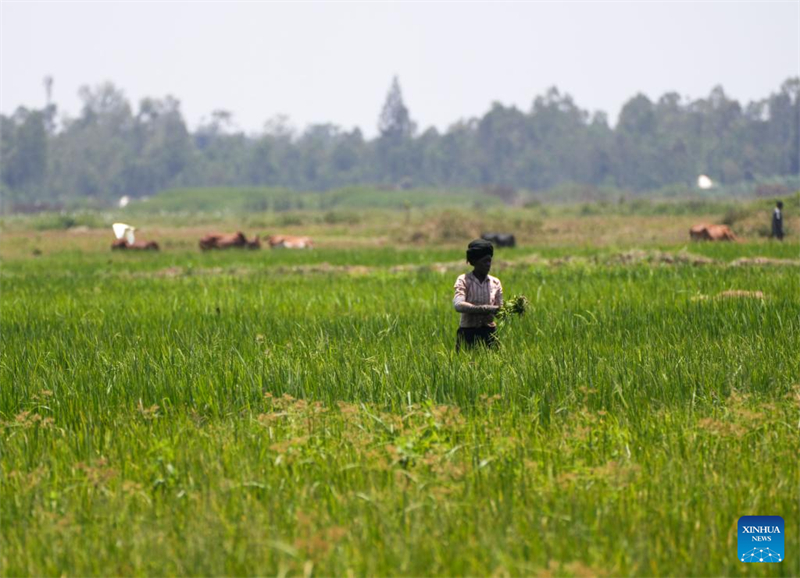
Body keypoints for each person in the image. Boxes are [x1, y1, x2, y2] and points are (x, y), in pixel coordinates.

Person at [453, 239, 503, 351]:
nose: (488, 265)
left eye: (489, 261)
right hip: (468, 333)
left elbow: (500, 310)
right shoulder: (464, 280)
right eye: (484, 261)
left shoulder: (495, 282)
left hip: (489, 334)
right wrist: (485, 308)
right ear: (474, 262)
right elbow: (458, 305)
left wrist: (506, 310)